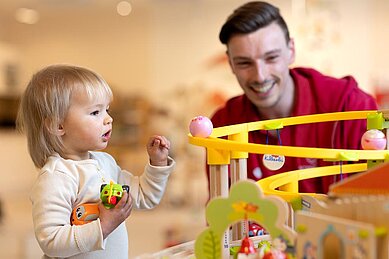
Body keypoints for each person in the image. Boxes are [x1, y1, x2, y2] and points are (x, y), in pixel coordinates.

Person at [210, 1, 377, 194]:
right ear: (230, 63)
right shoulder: (224, 125)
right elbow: (222, 214)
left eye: (271, 58)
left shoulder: (351, 107)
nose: (260, 76)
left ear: (291, 51)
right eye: (244, 63)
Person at [17, 64, 176, 258]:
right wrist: (103, 226)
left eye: (107, 110)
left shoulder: (105, 163)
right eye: (95, 112)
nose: (108, 119)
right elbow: (51, 240)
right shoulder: (56, 177)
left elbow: (144, 196)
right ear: (58, 125)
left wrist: (157, 163)